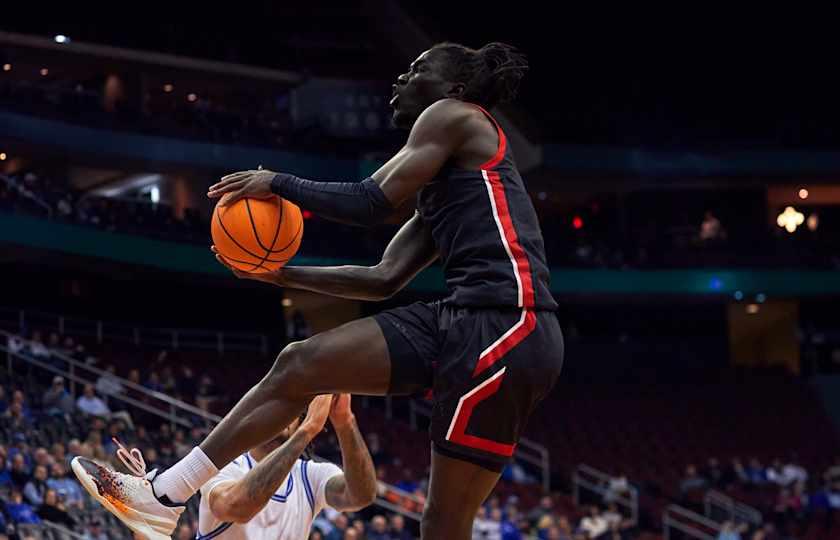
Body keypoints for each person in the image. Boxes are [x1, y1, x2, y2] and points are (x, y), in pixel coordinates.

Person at [74, 41, 563, 540]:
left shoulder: (455, 115)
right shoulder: (442, 188)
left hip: (508, 324)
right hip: (468, 319)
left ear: (454, 89)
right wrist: (280, 274)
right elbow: (383, 278)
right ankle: (164, 496)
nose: (400, 79)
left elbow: (372, 201)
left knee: (444, 523)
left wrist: (277, 182)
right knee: (300, 364)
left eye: (417, 69)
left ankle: (162, 496)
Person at [198, 394, 376, 540]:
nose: (283, 415)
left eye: (291, 410)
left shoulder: (310, 475)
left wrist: (345, 422)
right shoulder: (224, 464)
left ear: (297, 422)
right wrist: (308, 430)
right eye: (275, 408)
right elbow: (234, 508)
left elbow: (361, 496)